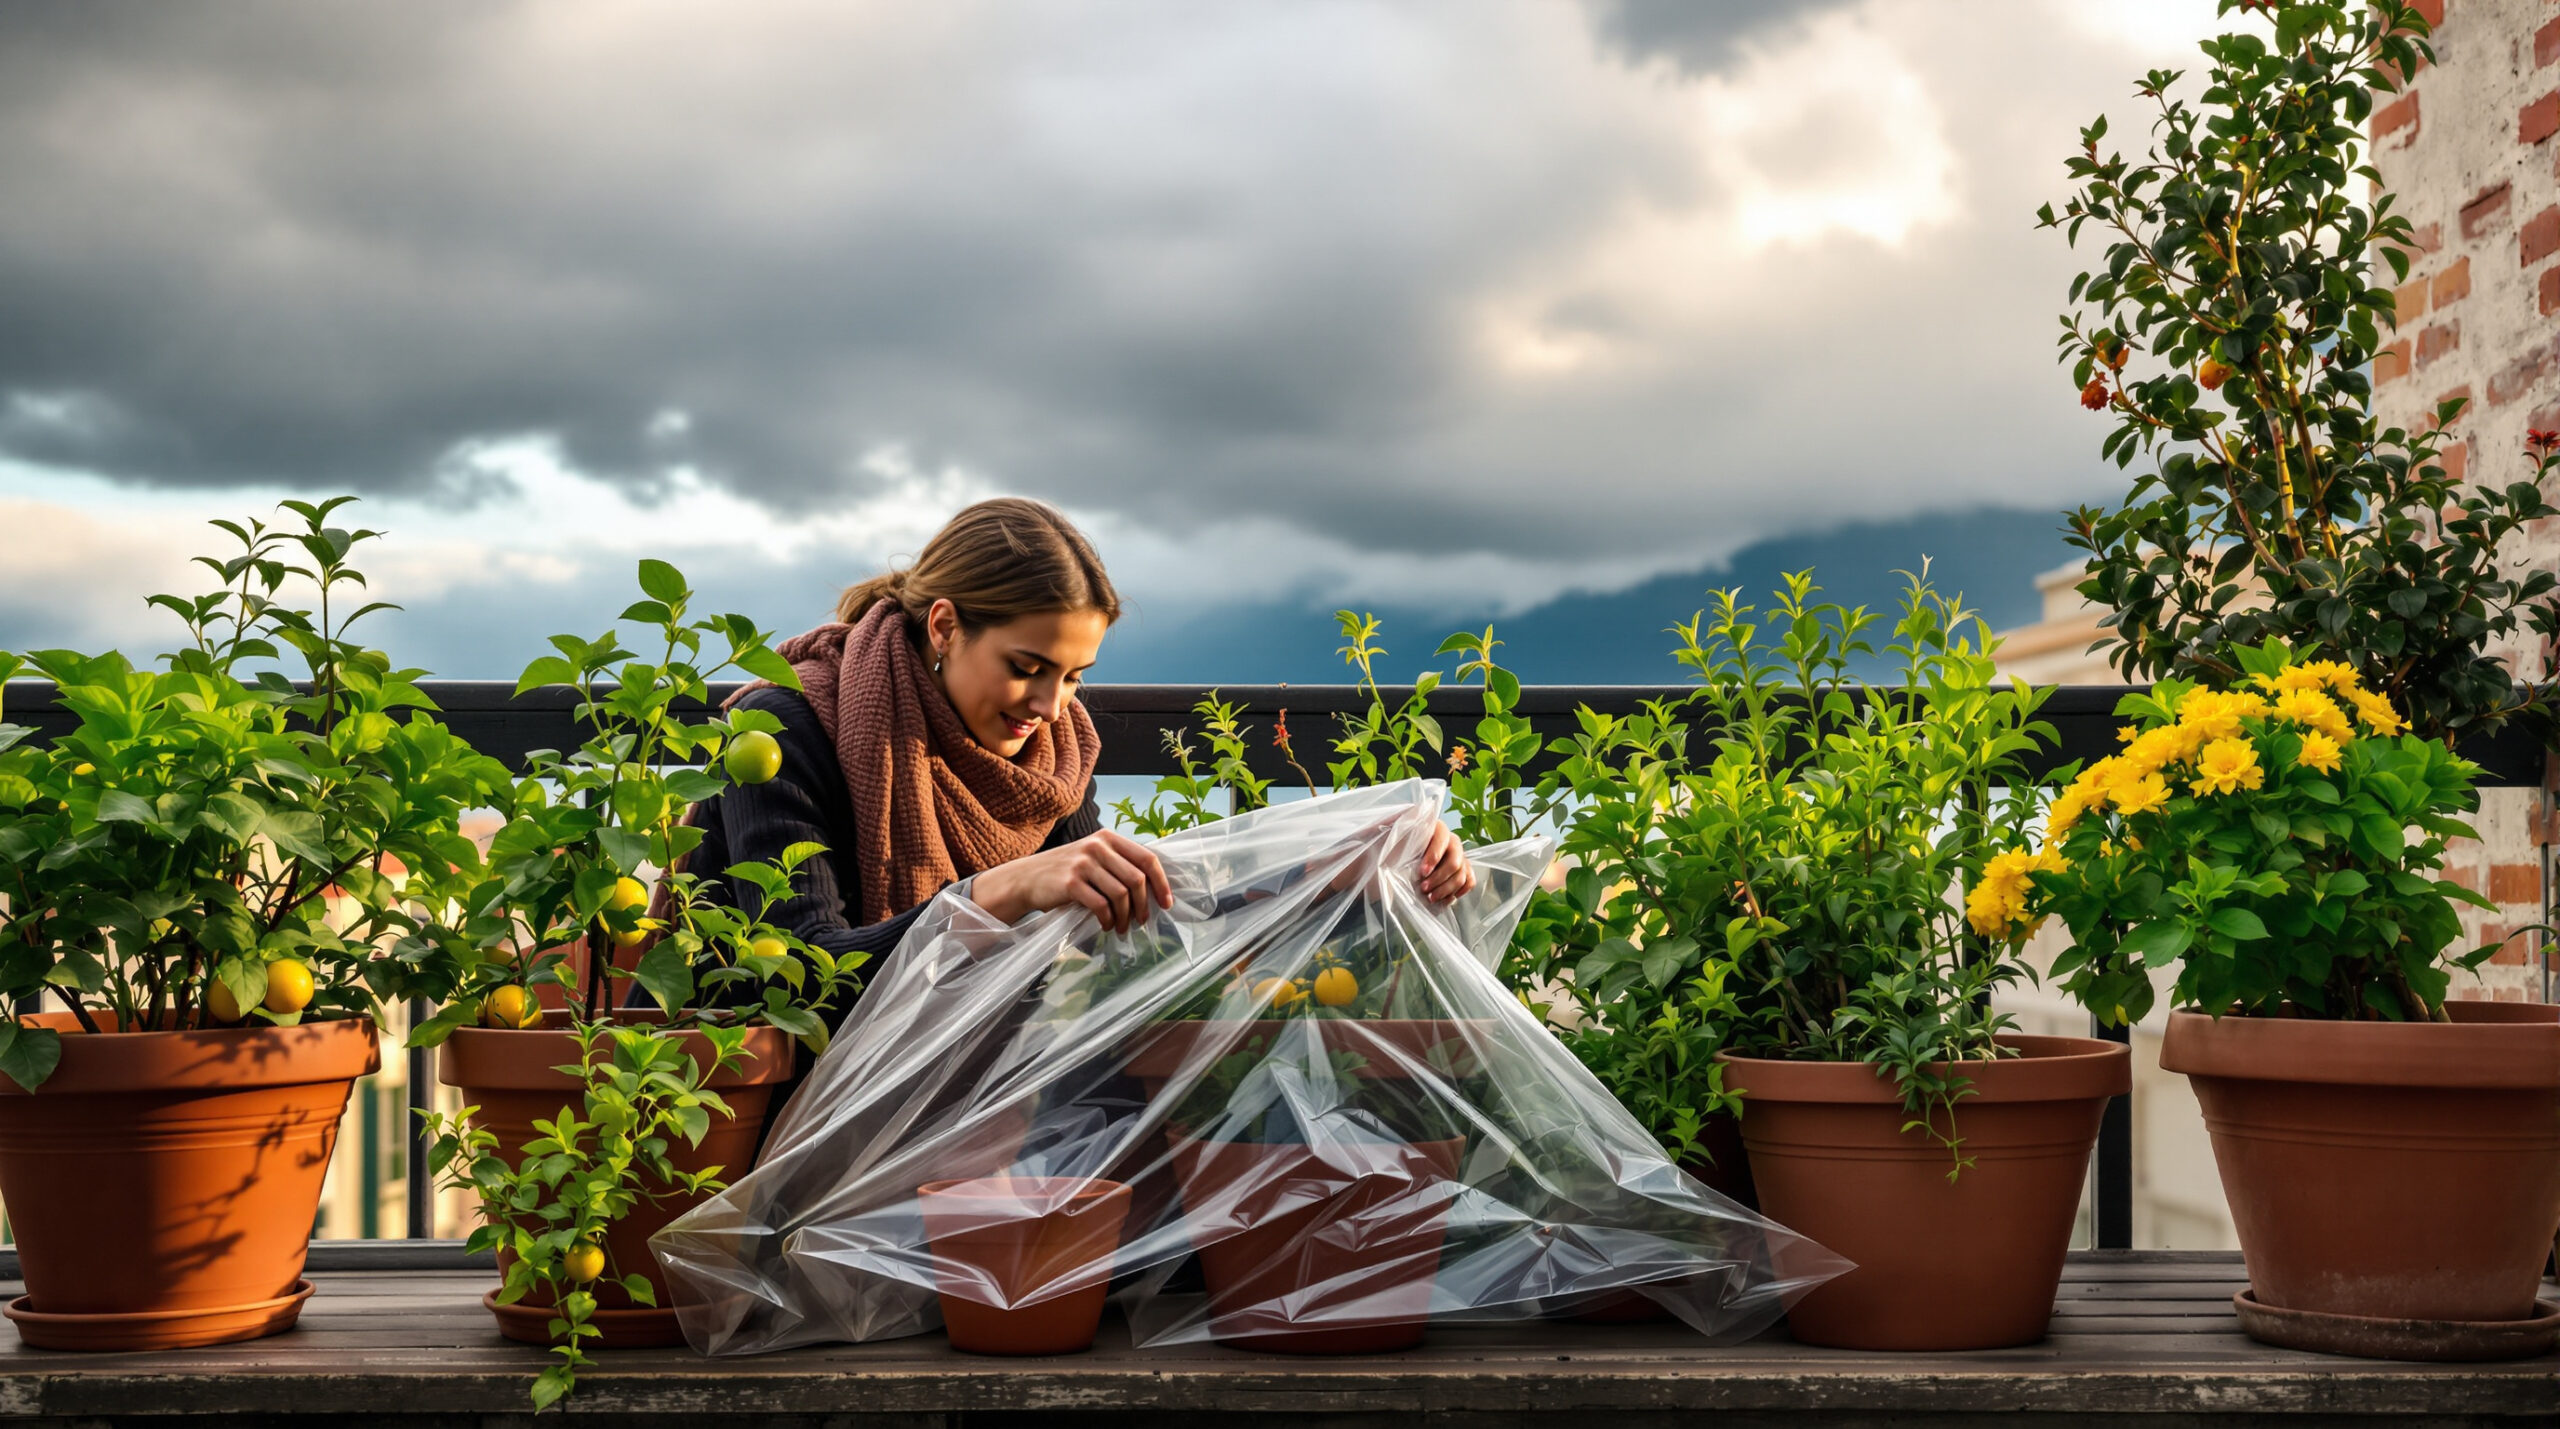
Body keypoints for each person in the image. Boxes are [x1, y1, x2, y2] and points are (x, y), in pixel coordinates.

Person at [680, 497, 1477, 1036]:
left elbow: (1143, 906)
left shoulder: (1051, 758)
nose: (1052, 704)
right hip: (771, 1100)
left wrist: (1354, 857)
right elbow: (786, 980)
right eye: (1029, 666)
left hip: (966, 1088)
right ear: (947, 625)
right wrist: (997, 893)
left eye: (1075, 676)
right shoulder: (786, 725)